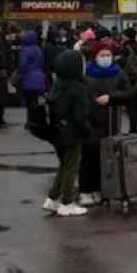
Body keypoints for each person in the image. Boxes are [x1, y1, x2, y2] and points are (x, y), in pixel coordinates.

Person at [75, 41, 134, 206]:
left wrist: (112, 97)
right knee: (89, 157)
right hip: (90, 121)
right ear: (95, 57)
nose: (106, 58)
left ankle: (104, 189)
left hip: (111, 121)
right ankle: (86, 190)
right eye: (102, 55)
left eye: (108, 55)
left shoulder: (119, 73)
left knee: (108, 157)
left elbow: (129, 92)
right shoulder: (87, 75)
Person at [44, 49, 93, 217]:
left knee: (64, 165)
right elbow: (80, 115)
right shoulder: (78, 88)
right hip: (72, 133)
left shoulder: (57, 84)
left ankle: (52, 198)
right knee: (71, 166)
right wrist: (87, 131)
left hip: (56, 131)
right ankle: (67, 201)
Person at [15, 30, 48, 114]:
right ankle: (36, 120)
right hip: (39, 78)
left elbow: (22, 66)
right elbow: (42, 64)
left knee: (29, 102)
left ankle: (30, 120)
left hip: (28, 79)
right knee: (35, 100)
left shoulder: (25, 50)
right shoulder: (38, 49)